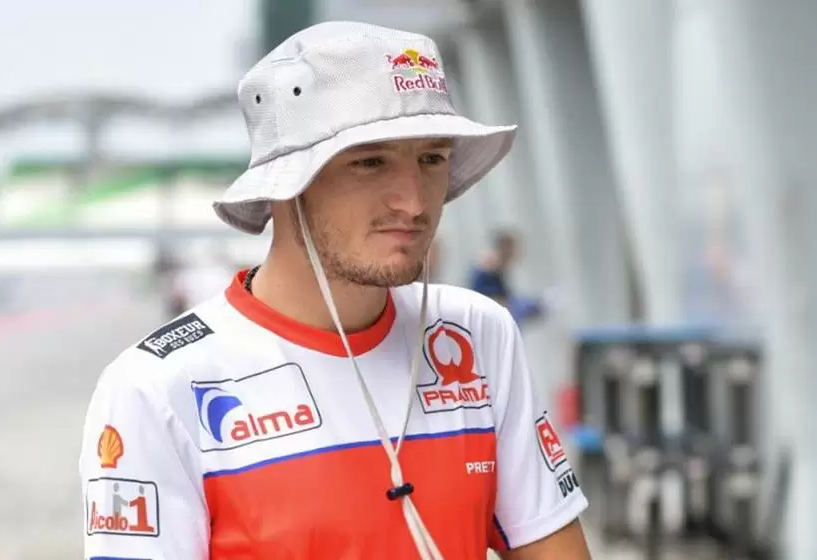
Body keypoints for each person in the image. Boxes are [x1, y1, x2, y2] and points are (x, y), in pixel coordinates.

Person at [80, 21, 591, 560]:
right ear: (286, 184)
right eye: (369, 162)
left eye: (432, 158)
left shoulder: (476, 332)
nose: (414, 202)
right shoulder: (155, 388)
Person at [470, 231, 547, 327]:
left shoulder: (502, 271)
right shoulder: (487, 271)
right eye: (512, 248)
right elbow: (493, 303)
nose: (515, 253)